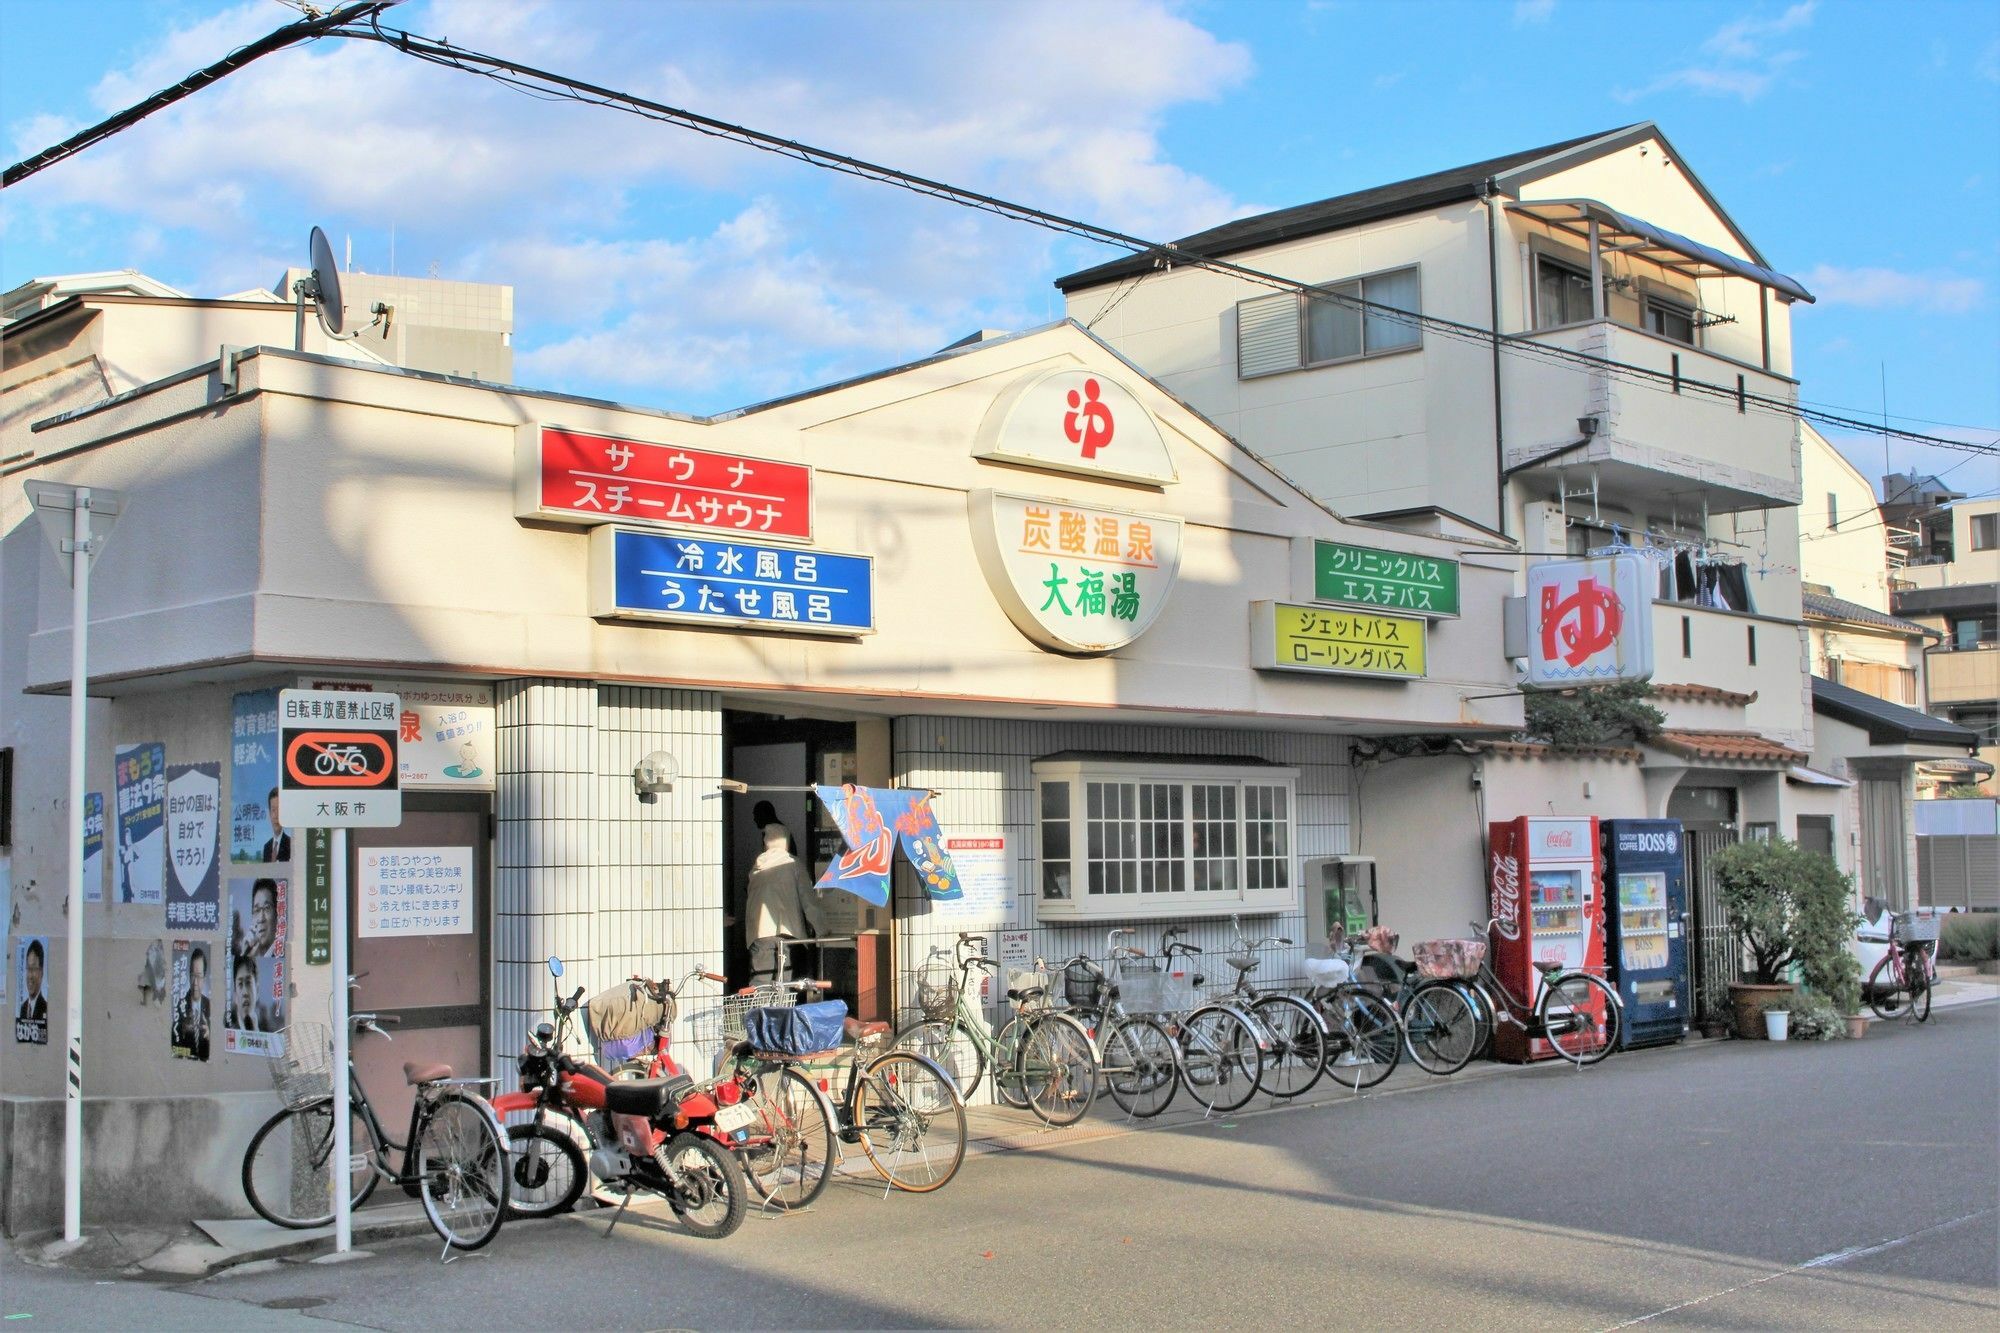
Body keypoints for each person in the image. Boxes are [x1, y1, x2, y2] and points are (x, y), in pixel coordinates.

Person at [745, 822, 819, 982]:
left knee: (761, 988)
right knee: (787, 988)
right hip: (789, 934)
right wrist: (822, 928)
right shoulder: (794, 865)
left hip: (760, 936)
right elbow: (809, 902)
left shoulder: (756, 870)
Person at [173, 946, 210, 1059]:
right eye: (192, 975)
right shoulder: (180, 1006)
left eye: (198, 976)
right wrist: (183, 1034)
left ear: (204, 977)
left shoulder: (210, 1006)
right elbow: (173, 1045)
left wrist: (209, 1037)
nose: (195, 983)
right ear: (188, 975)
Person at [228, 955, 270, 1032]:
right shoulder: (228, 1029)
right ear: (235, 996)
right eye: (240, 984)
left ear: (257, 991)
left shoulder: (267, 1030)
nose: (245, 992)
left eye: (248, 983)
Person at [244, 878, 280, 958]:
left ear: (277, 914)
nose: (261, 919)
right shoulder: (251, 954)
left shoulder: (281, 954)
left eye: (266, 908)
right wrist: (245, 956)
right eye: (256, 910)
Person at [16, 939, 47, 1022]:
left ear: (41, 973)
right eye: (28, 969)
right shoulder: (22, 1008)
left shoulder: (45, 1008)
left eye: (33, 969)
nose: (30, 976)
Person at [261, 787, 291, 863]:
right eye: (273, 810)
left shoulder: (291, 844)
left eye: (279, 810)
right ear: (270, 814)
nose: (276, 816)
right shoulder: (266, 847)